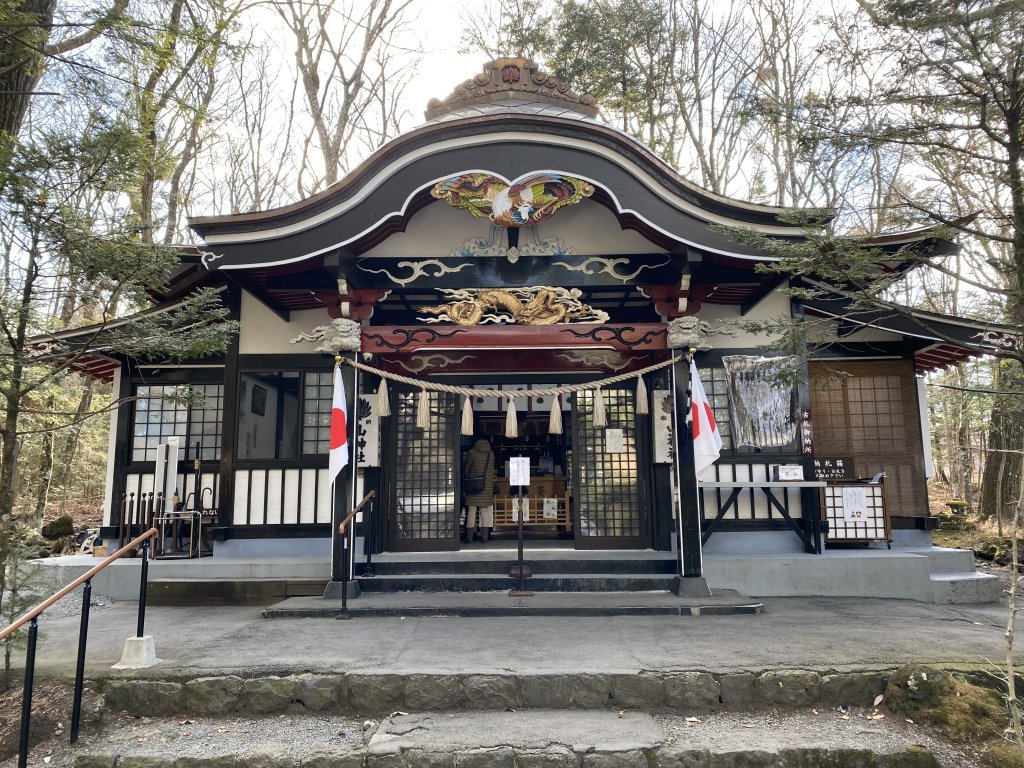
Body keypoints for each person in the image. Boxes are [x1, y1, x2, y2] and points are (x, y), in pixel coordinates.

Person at [463, 438, 496, 542]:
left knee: (471, 511)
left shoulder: (471, 453)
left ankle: (469, 536)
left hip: (473, 486)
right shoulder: (491, 454)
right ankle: (485, 537)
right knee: (484, 511)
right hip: (486, 487)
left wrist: (470, 475)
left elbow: (466, 469)